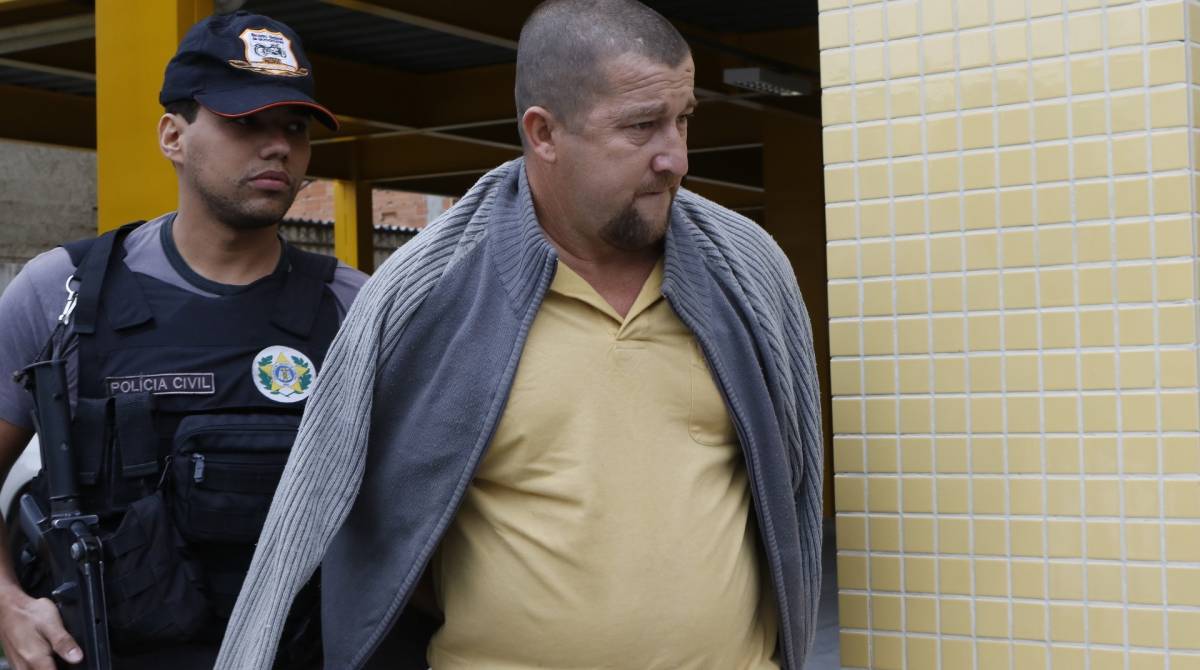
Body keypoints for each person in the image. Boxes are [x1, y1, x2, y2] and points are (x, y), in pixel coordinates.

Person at [220, 0, 822, 668]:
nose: (675, 159)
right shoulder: (426, 289)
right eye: (643, 126)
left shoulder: (747, 266)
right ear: (544, 133)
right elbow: (332, 505)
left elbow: (793, 483)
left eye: (683, 120)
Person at [0, 10, 366, 670]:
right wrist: (6, 603)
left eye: (293, 127)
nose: (277, 146)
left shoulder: (354, 308)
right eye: (244, 122)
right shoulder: (61, 293)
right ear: (173, 135)